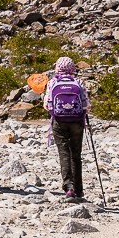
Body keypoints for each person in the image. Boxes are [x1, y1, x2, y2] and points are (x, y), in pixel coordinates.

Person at [44, 57, 91, 203]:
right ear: (72, 68)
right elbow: (86, 105)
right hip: (77, 121)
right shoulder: (78, 82)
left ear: (58, 67)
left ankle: (68, 188)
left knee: (64, 153)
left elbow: (47, 105)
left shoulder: (52, 82)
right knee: (76, 154)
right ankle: (79, 190)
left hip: (59, 122)